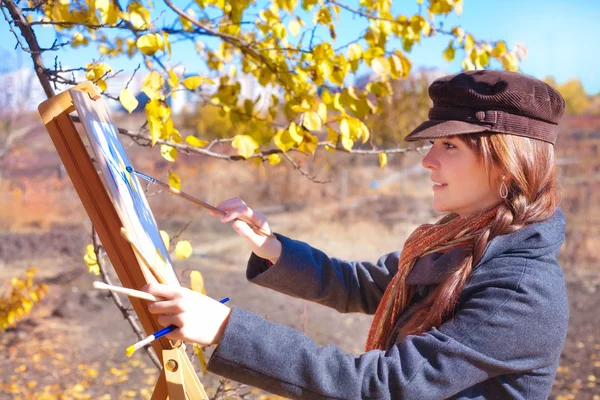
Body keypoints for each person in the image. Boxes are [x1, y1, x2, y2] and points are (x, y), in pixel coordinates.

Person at [143, 70, 569, 399]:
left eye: (450, 146)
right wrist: (271, 247)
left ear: (508, 163)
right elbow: (364, 285)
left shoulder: (521, 290)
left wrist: (227, 327)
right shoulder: (452, 240)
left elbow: (382, 388)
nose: (427, 160)